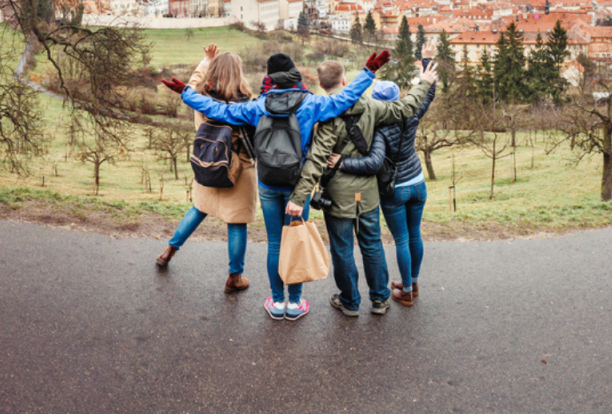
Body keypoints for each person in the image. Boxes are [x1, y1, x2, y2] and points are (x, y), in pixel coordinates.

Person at [161, 49, 389, 322]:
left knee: (275, 244)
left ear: (271, 81)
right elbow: (345, 98)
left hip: (268, 182)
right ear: (294, 77)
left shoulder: (257, 106)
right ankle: (294, 303)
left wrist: (186, 93)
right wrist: (367, 73)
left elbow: (218, 109)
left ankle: (276, 300)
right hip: (297, 186)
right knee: (295, 241)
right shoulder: (310, 103)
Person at [287, 62, 437, 317]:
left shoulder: (326, 117)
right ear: (345, 81)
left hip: (338, 196)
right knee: (372, 245)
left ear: (321, 86)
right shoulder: (370, 106)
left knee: (343, 249)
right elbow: (406, 107)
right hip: (367, 194)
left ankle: (350, 302)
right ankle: (380, 300)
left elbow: (316, 160)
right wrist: (423, 82)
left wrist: (298, 198)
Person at [155, 44, 257, 295]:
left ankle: (169, 251)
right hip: (240, 170)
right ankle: (234, 277)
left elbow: (190, 84)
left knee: (199, 209)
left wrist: (205, 60)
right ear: (239, 73)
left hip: (207, 162)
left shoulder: (200, 98)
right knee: (237, 223)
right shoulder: (247, 103)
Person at [369, 73, 435, 306]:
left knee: (401, 239)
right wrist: (427, 67)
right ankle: (413, 283)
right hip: (417, 183)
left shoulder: (375, 125)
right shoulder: (412, 112)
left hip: (394, 189)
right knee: (415, 234)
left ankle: (406, 291)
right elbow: (429, 94)